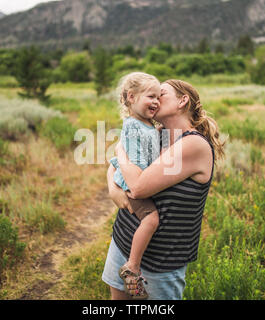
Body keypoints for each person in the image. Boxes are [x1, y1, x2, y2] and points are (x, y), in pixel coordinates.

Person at [102, 79, 225, 300]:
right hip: (123, 241)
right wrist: (113, 190)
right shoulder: (156, 134)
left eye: (161, 94)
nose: (155, 100)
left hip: (160, 262)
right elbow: (113, 170)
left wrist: (120, 151)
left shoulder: (193, 144)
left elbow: (137, 188)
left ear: (182, 100)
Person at [108, 72, 162, 299]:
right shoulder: (132, 126)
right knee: (151, 219)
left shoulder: (147, 124)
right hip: (132, 183)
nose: (156, 102)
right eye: (151, 96)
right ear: (131, 97)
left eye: (159, 97)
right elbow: (137, 164)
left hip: (136, 177)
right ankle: (132, 266)